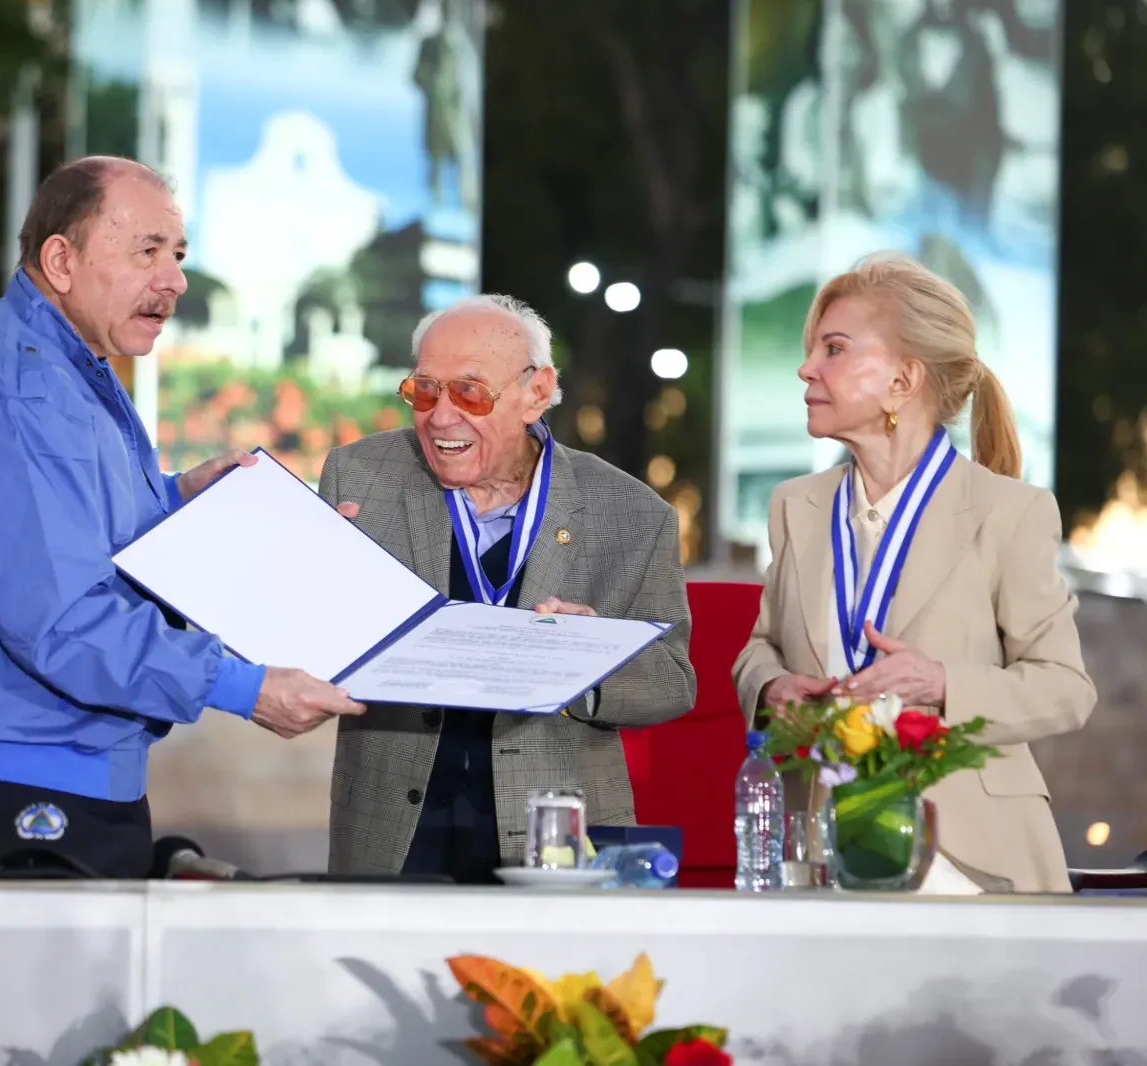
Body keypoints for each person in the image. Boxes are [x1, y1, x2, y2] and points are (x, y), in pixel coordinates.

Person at [0, 156, 364, 880]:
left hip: (68, 762)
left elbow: (71, 535)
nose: (173, 280)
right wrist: (244, 686)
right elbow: (63, 621)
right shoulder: (19, 393)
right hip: (23, 779)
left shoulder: (68, 366)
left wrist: (176, 502)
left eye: (177, 255)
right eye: (147, 251)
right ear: (61, 259)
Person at [732, 251, 1094, 893]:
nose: (806, 368)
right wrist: (772, 688)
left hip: (970, 864)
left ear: (903, 381)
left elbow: (1066, 688)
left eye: (834, 349)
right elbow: (762, 645)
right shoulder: (796, 506)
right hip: (820, 853)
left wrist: (940, 682)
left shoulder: (1011, 512)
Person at [316, 294, 696, 883]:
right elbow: (314, 631)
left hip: (557, 836)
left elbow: (673, 679)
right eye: (424, 390)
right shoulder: (360, 477)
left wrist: (584, 662)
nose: (441, 417)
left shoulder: (629, 512)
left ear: (536, 394)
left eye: (470, 392)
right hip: (390, 824)